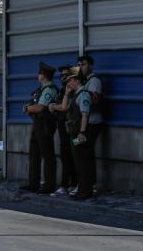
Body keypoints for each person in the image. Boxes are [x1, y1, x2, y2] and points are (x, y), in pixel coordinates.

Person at [21, 62, 59, 194]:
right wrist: (30, 107)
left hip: (45, 125)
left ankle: (49, 185)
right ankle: (33, 183)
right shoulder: (42, 89)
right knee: (34, 154)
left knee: (47, 156)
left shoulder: (49, 90)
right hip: (38, 124)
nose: (38, 76)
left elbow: (40, 107)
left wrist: (27, 108)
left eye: (40, 73)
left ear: (43, 76)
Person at [65, 72, 97, 200]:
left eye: (70, 81)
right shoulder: (76, 94)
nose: (68, 84)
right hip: (75, 132)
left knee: (82, 161)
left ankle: (85, 191)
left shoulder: (83, 94)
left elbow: (85, 114)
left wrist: (82, 132)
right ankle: (83, 190)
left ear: (77, 80)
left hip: (80, 133)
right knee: (78, 161)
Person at [76, 54, 104, 196]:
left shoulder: (94, 81)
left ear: (91, 66)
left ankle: (88, 186)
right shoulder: (84, 81)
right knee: (80, 151)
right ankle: (85, 184)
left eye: (84, 64)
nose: (81, 67)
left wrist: (81, 90)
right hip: (84, 124)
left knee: (84, 153)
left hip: (91, 123)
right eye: (79, 64)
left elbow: (92, 100)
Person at [48, 65, 78, 196]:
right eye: (62, 76)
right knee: (65, 156)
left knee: (73, 156)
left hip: (71, 128)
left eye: (66, 75)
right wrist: (55, 106)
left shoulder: (73, 91)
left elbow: (65, 107)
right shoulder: (62, 90)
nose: (63, 78)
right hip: (62, 126)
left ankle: (73, 184)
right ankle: (66, 184)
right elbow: (57, 106)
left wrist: (55, 106)